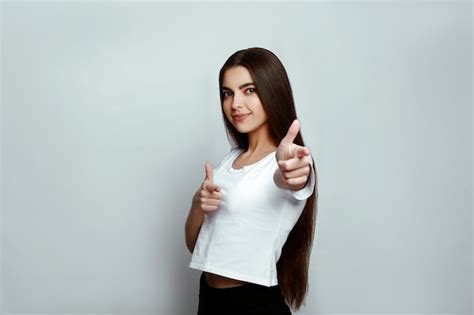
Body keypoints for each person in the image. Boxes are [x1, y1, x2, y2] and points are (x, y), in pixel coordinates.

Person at [184, 47, 318, 315]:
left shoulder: (287, 161)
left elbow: (291, 177)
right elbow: (195, 246)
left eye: (249, 90)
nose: (235, 104)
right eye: (227, 93)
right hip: (209, 298)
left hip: (252, 303)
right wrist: (198, 204)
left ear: (272, 91)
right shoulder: (228, 162)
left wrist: (294, 172)